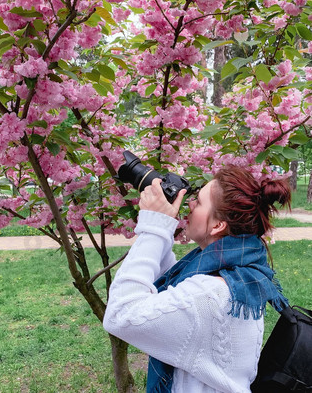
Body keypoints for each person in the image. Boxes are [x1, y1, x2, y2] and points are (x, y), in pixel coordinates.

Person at [103, 165, 291, 393]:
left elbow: (121, 314)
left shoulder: (210, 295)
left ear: (218, 225)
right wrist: (162, 226)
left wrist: (153, 227)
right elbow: (169, 286)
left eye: (199, 202)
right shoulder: (237, 274)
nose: (190, 204)